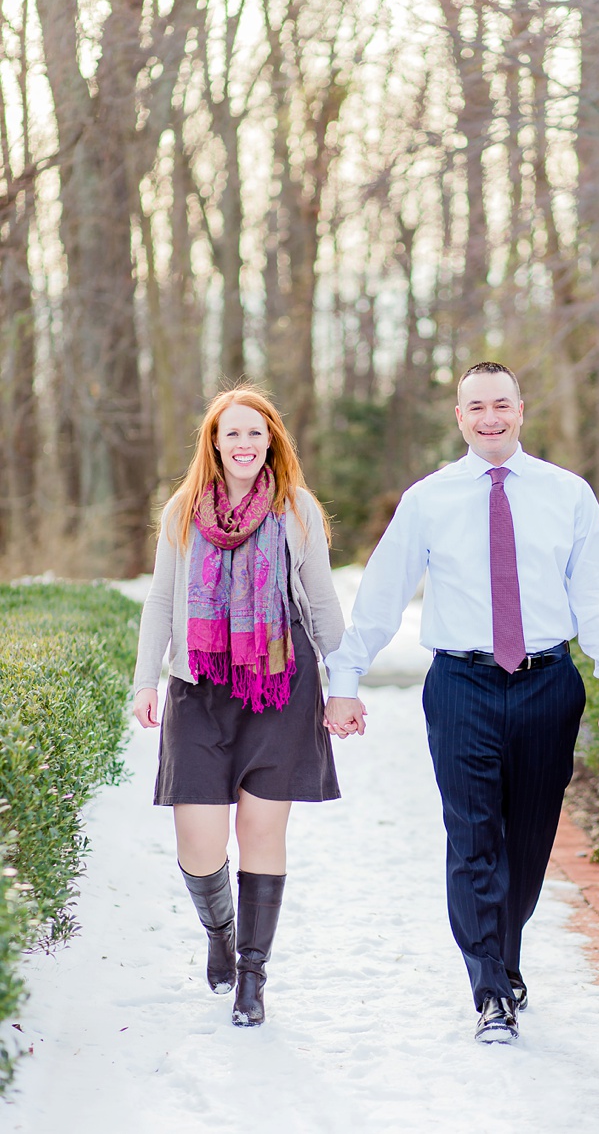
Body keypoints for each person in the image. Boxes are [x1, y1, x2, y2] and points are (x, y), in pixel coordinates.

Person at [323, 361, 599, 1045]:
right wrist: (344, 679)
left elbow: (598, 599)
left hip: (549, 684)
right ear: (459, 418)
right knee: (472, 841)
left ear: (521, 410)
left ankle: (505, 959)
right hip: (461, 685)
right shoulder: (429, 499)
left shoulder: (568, 495)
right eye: (476, 408)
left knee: (525, 845)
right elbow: (381, 595)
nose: (490, 418)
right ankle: (490, 990)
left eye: (502, 405)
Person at [132, 386, 344, 1028]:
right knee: (198, 841)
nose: (245, 444)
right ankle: (221, 932)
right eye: (233, 434)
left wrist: (346, 684)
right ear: (214, 443)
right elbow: (162, 602)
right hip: (199, 685)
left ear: (272, 440)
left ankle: (252, 976)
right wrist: (147, 681)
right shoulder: (182, 511)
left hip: (279, 683)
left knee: (261, 829)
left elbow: (323, 602)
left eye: (257, 433)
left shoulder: (296, 508)